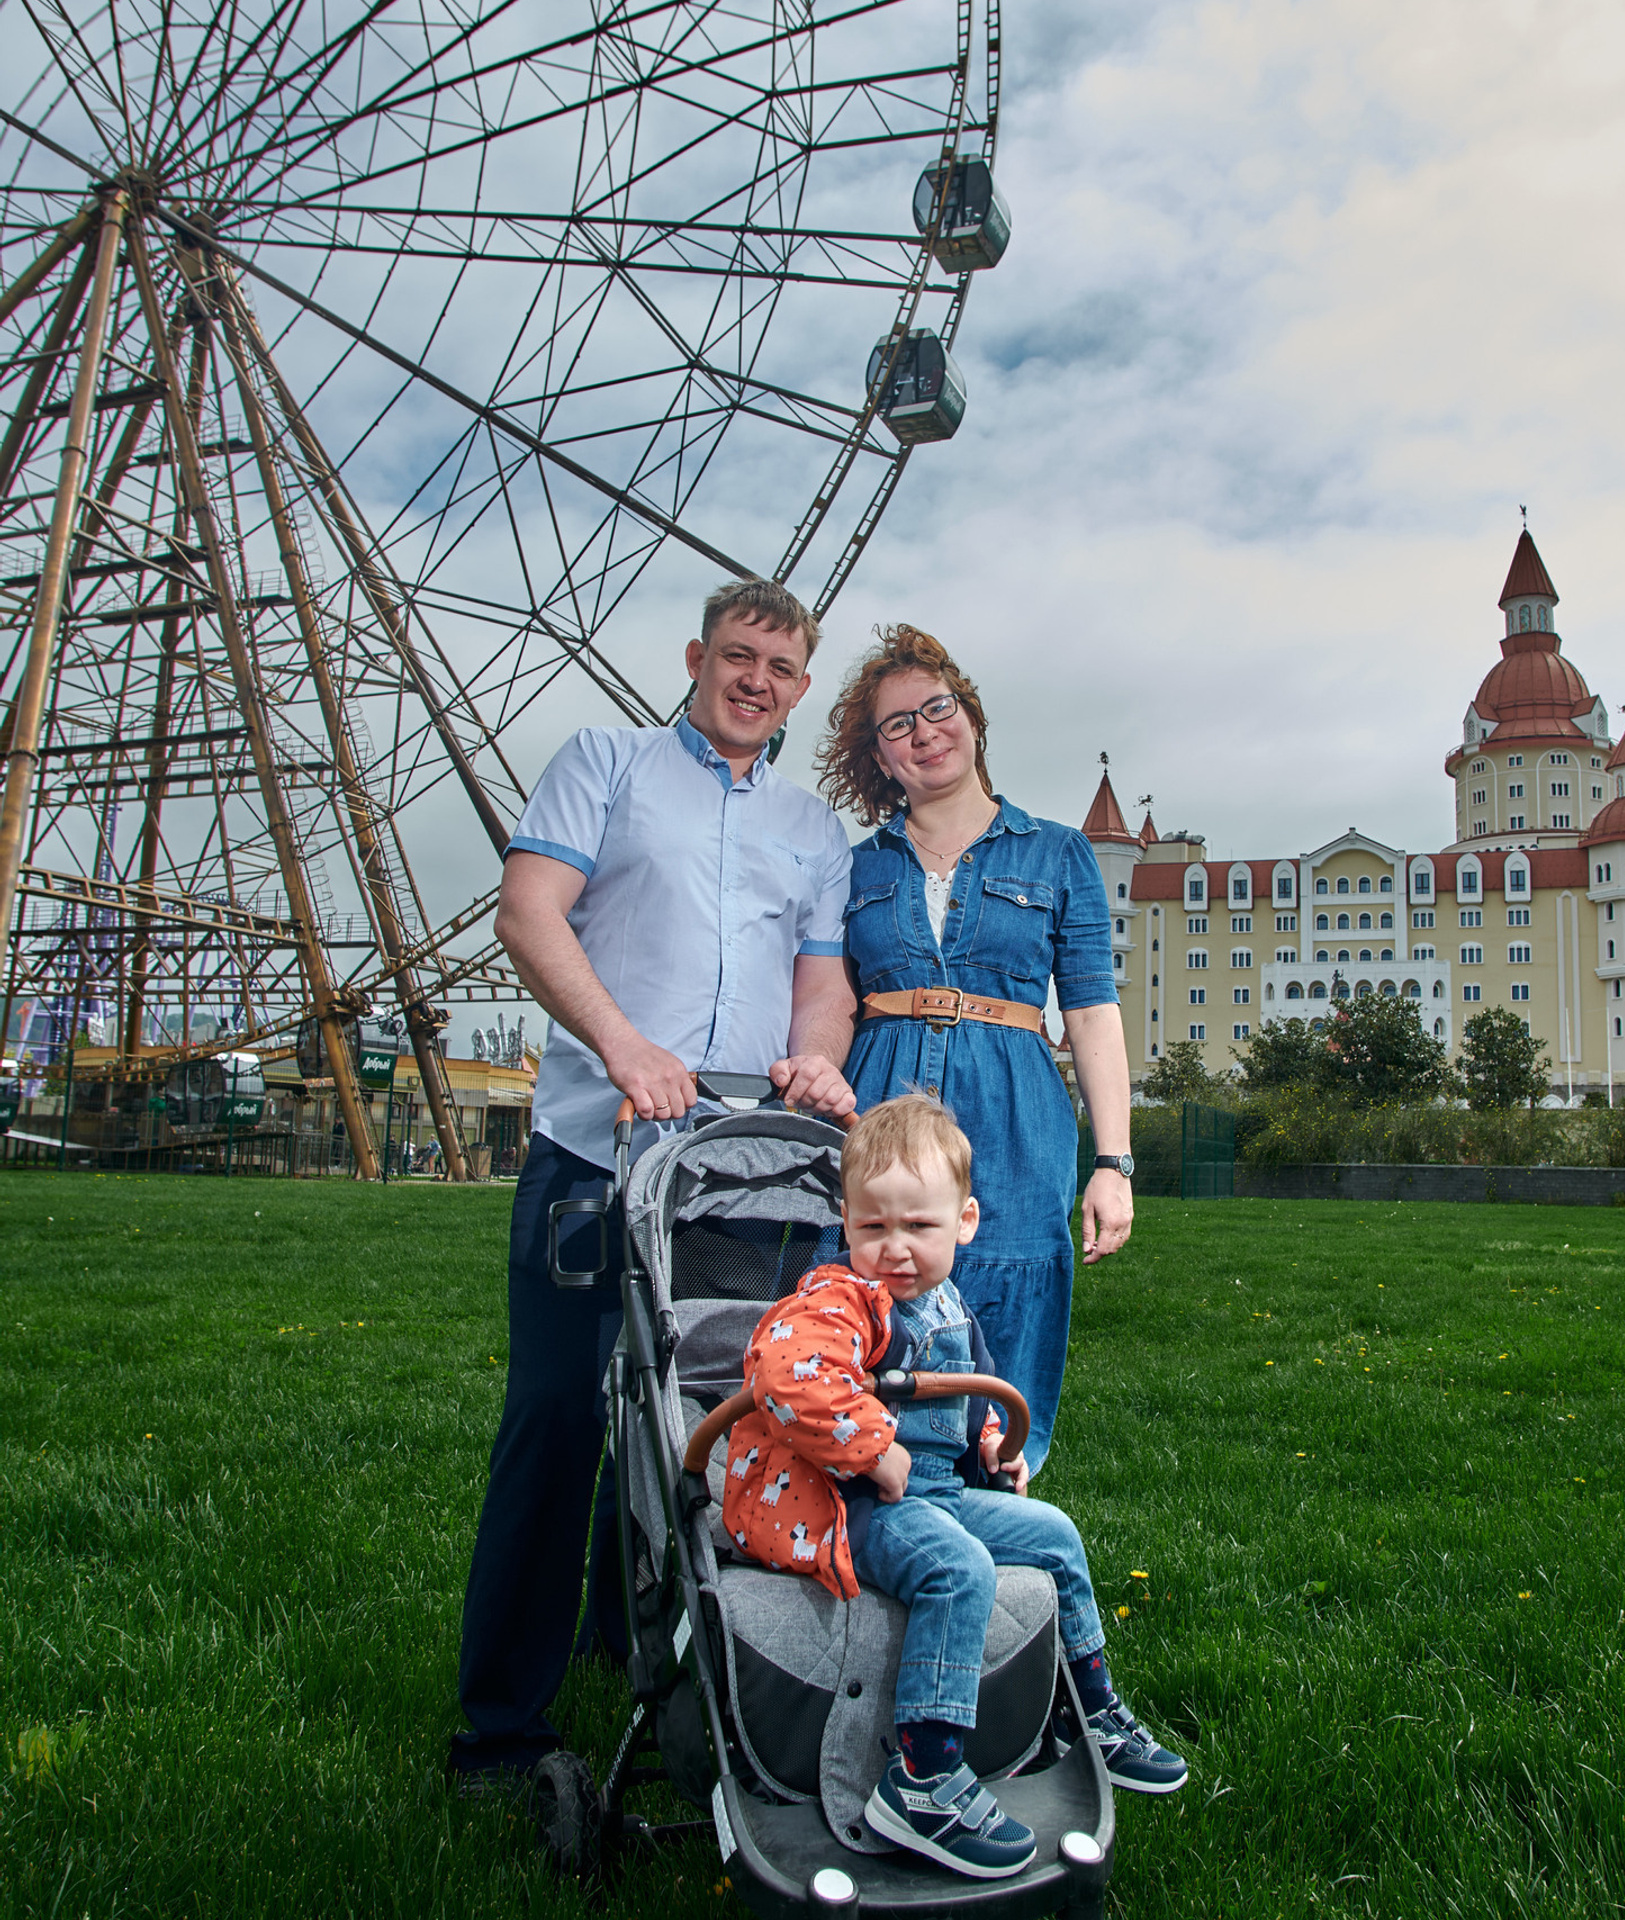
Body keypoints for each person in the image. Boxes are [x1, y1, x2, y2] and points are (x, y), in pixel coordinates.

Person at [449, 578, 859, 1784]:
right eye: (738, 657)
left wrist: (816, 1059)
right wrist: (624, 1046)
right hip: (597, 1151)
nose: (755, 682)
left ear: (800, 686)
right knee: (558, 1419)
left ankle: (645, 1643)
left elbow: (821, 982)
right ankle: (501, 1722)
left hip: (732, 1180)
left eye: (779, 669)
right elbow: (530, 912)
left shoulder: (813, 827)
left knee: (696, 1419)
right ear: (696, 657)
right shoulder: (606, 763)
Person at [723, 1094, 1186, 1880]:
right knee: (959, 1569)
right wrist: (872, 1450)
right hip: (856, 1503)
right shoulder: (842, 1297)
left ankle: (1090, 1710)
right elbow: (785, 1372)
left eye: (919, 1226)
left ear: (964, 1222)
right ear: (846, 1223)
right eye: (874, 1227)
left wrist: (994, 1446)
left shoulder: (947, 1305)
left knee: (1053, 1534)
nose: (895, 1248)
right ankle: (925, 1776)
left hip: (936, 1493)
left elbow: (967, 1395)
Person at [815, 626, 1134, 1474]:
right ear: (880, 757)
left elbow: (1092, 1014)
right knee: (868, 1306)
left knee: (1014, 1298)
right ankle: (875, 1497)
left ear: (971, 717)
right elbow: (828, 1000)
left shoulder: (1058, 852)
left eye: (937, 708)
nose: (924, 732)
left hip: (1017, 1113)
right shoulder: (852, 868)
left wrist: (1114, 1162)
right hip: (878, 1101)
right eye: (898, 725)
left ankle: (997, 1500)